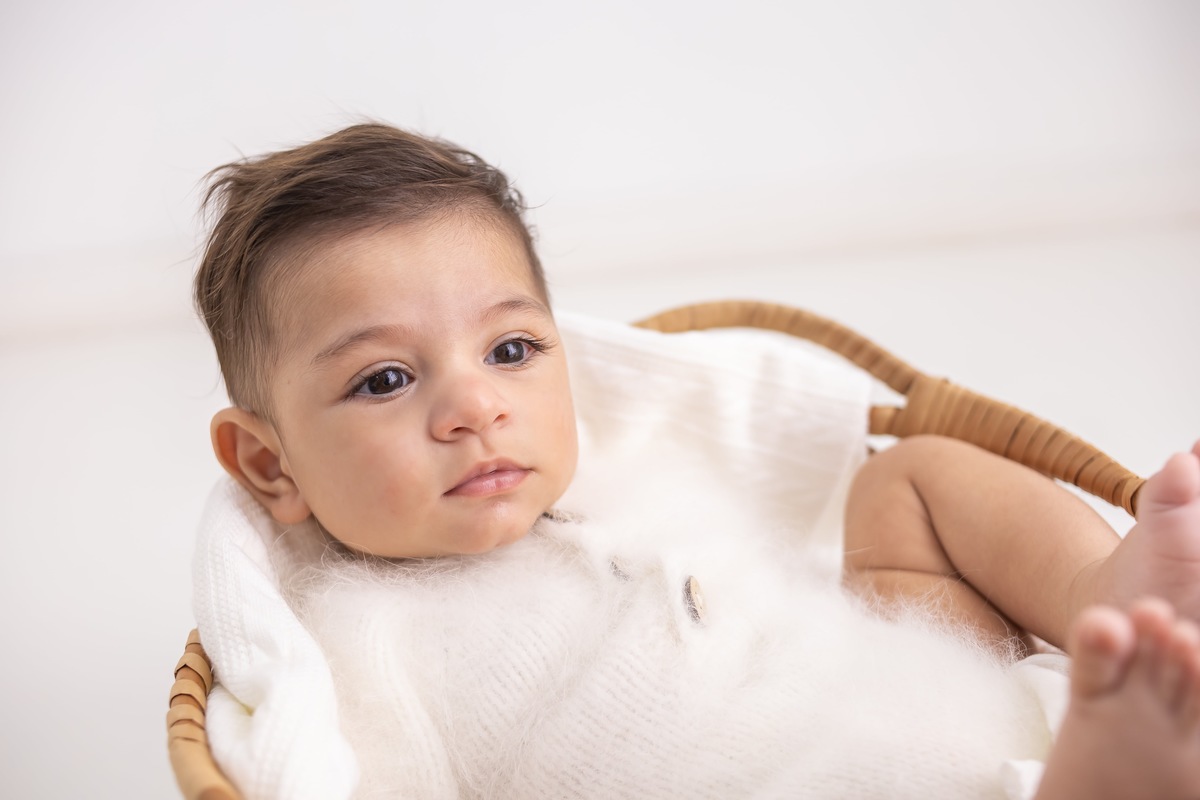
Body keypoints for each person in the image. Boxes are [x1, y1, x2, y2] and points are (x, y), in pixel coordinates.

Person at [194, 122, 1200, 799]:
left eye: (511, 350)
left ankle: (1098, 594)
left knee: (910, 477)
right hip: (811, 777)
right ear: (270, 465)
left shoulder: (624, 471)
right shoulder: (362, 638)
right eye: (383, 380)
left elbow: (792, 554)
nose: (475, 407)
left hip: (923, 672)